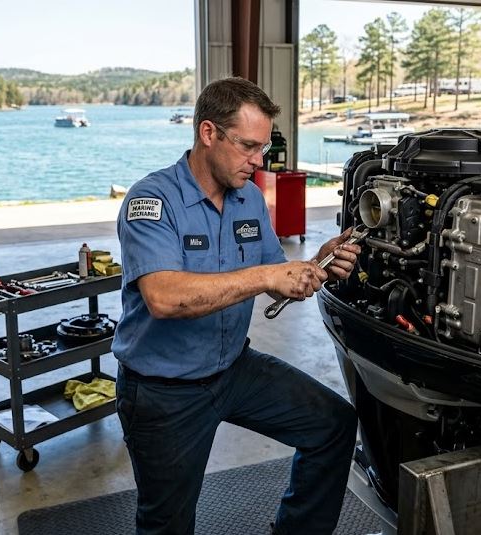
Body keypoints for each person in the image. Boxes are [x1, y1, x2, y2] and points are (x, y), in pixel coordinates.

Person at [112, 76, 362, 535]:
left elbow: (272, 277)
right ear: (209, 133)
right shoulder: (152, 200)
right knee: (166, 522)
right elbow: (165, 298)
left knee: (333, 424)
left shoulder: (247, 196)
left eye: (263, 147)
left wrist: (315, 264)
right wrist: (268, 275)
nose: (258, 160)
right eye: (248, 146)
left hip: (233, 369)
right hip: (163, 391)